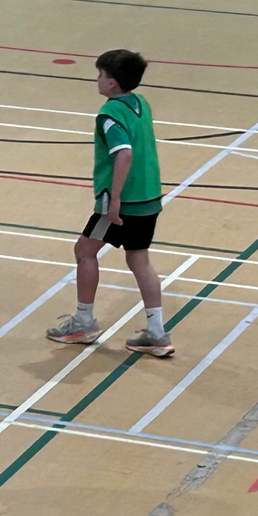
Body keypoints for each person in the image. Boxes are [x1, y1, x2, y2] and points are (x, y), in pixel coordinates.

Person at [45, 50, 172, 357]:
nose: (97, 80)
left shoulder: (109, 114)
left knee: (85, 251)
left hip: (122, 202)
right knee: (139, 259)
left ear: (113, 83)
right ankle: (156, 332)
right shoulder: (141, 104)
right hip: (149, 197)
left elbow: (124, 152)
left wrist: (114, 200)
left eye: (100, 75)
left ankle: (84, 321)